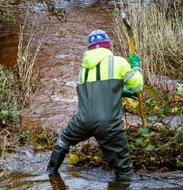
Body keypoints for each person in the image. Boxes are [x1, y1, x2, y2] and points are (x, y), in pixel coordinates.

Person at [46, 29, 144, 182]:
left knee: (64, 140)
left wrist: (120, 91)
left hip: (82, 121)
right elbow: (138, 86)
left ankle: (50, 174)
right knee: (124, 169)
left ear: (90, 48)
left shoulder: (83, 70)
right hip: (109, 124)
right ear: (108, 46)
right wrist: (136, 66)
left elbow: (94, 94)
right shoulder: (117, 62)